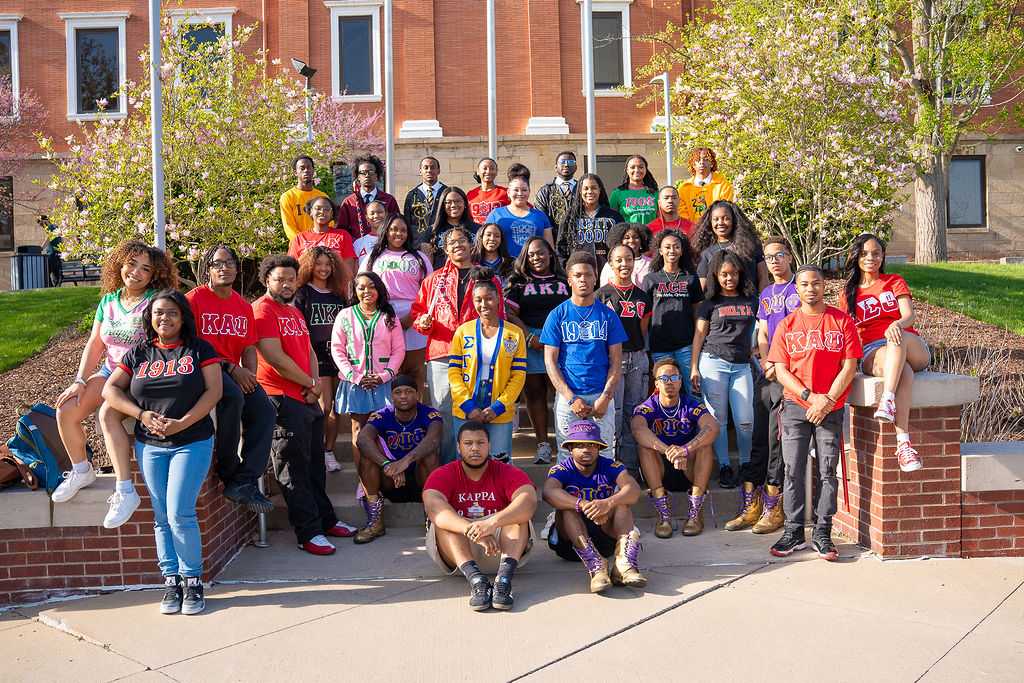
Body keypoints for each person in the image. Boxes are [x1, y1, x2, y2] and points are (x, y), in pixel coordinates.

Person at [102, 289, 222, 615]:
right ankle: (171, 580)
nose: (164, 318)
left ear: (183, 317)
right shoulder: (138, 353)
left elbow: (214, 391)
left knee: (179, 513)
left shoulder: (199, 349)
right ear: (149, 317)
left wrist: (182, 423)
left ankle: (192, 581)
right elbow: (109, 388)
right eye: (158, 313)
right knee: (160, 517)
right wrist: (140, 414)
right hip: (150, 445)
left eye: (171, 312)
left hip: (192, 440)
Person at [53, 240, 178, 528]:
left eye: (145, 268)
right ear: (120, 264)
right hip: (111, 371)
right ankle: (81, 470)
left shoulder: (156, 301)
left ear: (154, 275)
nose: (135, 272)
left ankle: (124, 490)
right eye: (131, 264)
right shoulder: (109, 300)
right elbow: (95, 344)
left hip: (143, 376)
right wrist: (80, 380)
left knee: (107, 413)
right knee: (67, 410)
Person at [254, 254, 356, 556]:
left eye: (291, 279)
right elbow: (275, 358)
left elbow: (309, 350)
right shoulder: (262, 311)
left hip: (305, 396)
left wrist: (313, 382)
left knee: (315, 467)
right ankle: (308, 533)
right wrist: (309, 383)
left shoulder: (293, 310)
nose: (287, 284)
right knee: (292, 469)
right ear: (266, 281)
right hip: (281, 399)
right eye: (280, 279)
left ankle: (325, 521)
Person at [767, 264, 862, 560]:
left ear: (824, 286)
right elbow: (780, 370)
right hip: (796, 406)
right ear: (797, 289)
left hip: (830, 408)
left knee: (828, 470)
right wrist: (809, 396)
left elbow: (849, 366)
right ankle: (794, 531)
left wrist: (828, 399)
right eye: (805, 284)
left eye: (816, 283)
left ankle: (823, 531)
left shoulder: (842, 321)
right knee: (793, 470)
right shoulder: (787, 325)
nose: (811, 288)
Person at [186, 245, 275, 512]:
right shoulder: (193, 300)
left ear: (237, 268)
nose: (223, 268)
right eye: (217, 264)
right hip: (200, 368)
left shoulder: (243, 306)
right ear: (207, 270)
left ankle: (244, 480)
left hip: (232, 371)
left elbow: (249, 350)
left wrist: (250, 376)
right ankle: (228, 471)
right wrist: (230, 368)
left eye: (229, 263)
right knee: (232, 397)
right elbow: (190, 344)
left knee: (265, 409)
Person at [411, 227, 505, 463]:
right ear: (445, 249)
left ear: (471, 243)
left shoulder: (486, 277)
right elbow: (418, 314)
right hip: (442, 351)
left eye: (462, 240)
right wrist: (423, 321)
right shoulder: (433, 280)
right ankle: (449, 470)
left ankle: (476, 467)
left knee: (475, 407)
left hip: (479, 353)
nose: (457, 245)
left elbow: (499, 313)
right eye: (451, 242)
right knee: (443, 412)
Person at [422, 421, 538, 611]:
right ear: (459, 447)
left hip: (502, 550)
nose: (475, 448)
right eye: (468, 443)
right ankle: (477, 582)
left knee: (518, 515)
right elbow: (434, 508)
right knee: (445, 521)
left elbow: (529, 502)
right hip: (459, 556)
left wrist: (492, 523)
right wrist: (474, 530)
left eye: (481, 443)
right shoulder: (443, 474)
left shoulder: (507, 472)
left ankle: (503, 581)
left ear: (489, 446)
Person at [839, 233, 929, 471]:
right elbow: (847, 331)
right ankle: (904, 445)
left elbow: (910, 315)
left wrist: (897, 324)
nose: (871, 258)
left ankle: (886, 398)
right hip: (873, 350)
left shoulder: (893, 281)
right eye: (865, 253)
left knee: (895, 340)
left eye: (876, 253)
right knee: (904, 373)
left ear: (882, 257)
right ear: (856, 257)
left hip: (909, 343)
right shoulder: (848, 293)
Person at [730, 236, 800, 533]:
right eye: (769, 256)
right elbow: (761, 332)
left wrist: (779, 364)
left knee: (775, 443)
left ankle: (775, 507)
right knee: (757, 440)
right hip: (767, 372)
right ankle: (752, 504)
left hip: (789, 377)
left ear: (790, 258)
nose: (773, 261)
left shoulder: (801, 288)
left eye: (779, 255)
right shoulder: (768, 293)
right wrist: (766, 359)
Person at [542, 251, 627, 462]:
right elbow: (550, 362)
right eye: (578, 275)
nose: (583, 279)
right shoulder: (557, 315)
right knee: (566, 455)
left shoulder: (608, 315)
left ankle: (606, 495)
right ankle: (569, 495)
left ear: (595, 277)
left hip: (600, 394)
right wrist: (570, 398)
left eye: (588, 274)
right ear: (569, 279)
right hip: (569, 397)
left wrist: (606, 397)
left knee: (606, 454)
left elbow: (617, 362)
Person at [543, 420, 645, 593]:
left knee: (622, 503)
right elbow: (548, 492)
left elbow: (633, 489)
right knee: (566, 507)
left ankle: (623, 565)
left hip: (605, 538)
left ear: (599, 447)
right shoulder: (561, 469)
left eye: (591, 444)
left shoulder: (612, 466)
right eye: (579, 445)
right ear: (570, 449)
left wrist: (608, 503)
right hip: (571, 545)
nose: (586, 449)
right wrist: (583, 505)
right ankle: (597, 569)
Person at [690, 250, 758, 490]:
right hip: (713, 363)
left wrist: (757, 348)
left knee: (745, 421)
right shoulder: (710, 303)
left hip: (741, 367)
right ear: (716, 275)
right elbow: (699, 335)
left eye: (734, 273)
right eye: (724, 274)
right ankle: (726, 466)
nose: (730, 278)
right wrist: (694, 367)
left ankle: (746, 464)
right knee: (718, 419)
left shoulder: (752, 299)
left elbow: (762, 328)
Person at [631, 357, 719, 537]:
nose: (669, 382)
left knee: (705, 445)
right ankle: (663, 515)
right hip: (660, 469)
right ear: (656, 382)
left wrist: (685, 449)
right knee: (645, 447)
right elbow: (637, 428)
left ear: (681, 381)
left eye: (674, 378)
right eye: (663, 378)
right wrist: (669, 451)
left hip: (688, 468)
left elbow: (713, 427)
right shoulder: (649, 406)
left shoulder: (691, 405)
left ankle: (695, 512)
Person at [331, 271, 406, 477]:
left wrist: (385, 375)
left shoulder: (389, 316)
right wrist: (355, 376)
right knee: (358, 431)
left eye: (372, 286)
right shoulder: (345, 315)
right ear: (354, 291)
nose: (367, 291)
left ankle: (381, 478)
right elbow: (337, 349)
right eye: (361, 287)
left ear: (379, 289)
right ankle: (363, 481)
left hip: (383, 383)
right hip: (356, 383)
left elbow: (399, 349)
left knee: (383, 432)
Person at [448, 270, 527, 462]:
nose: (483, 304)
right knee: (468, 459)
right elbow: (454, 373)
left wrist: (499, 406)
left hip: (499, 405)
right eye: (478, 300)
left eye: (489, 298)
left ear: (499, 299)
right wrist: (467, 405)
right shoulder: (462, 331)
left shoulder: (515, 333)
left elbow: (518, 376)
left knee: (499, 460)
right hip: (466, 405)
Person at [504, 237, 569, 465]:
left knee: (561, 391)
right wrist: (529, 336)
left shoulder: (565, 280)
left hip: (561, 342)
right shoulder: (519, 283)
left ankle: (566, 443)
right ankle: (543, 445)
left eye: (540, 253)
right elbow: (510, 314)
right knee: (534, 393)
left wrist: (554, 338)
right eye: (531, 255)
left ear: (550, 254)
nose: (536, 258)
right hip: (530, 341)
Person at [354, 376, 442, 543]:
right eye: (398, 392)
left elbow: (434, 439)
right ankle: (375, 523)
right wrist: (387, 465)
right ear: (391, 396)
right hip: (391, 482)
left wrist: (405, 461)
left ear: (417, 394)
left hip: (421, 482)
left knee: (430, 455)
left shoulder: (430, 413)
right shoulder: (381, 415)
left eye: (408, 392)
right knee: (366, 459)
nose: (403, 396)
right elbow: (363, 440)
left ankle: (433, 520)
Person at [595, 244, 652, 477]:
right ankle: (610, 467)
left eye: (628, 259)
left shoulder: (643, 297)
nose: (624, 264)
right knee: (613, 414)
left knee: (633, 412)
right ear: (611, 264)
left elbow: (641, 330)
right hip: (612, 361)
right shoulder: (601, 295)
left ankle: (629, 469)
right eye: (618, 260)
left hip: (637, 358)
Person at [292, 246, 350, 473]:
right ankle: (316, 450)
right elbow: (297, 325)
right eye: (319, 264)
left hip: (339, 354)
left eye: (328, 264)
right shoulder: (303, 293)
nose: (324, 268)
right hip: (315, 354)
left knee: (336, 408)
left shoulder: (339, 294)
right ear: (309, 266)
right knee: (324, 407)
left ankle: (328, 451)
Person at [361, 213, 433, 394]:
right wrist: (379, 316)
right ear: (385, 231)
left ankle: (415, 416)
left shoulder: (419, 258)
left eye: (403, 230)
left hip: (413, 319)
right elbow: (362, 288)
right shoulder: (373, 257)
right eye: (394, 229)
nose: (398, 233)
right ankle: (389, 416)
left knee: (413, 371)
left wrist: (413, 317)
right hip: (382, 318)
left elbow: (430, 291)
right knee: (388, 370)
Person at [642, 228, 703, 396]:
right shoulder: (650, 279)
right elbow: (646, 314)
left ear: (682, 250)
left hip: (686, 344)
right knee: (664, 390)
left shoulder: (691, 278)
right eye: (667, 247)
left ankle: (696, 422)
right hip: (659, 344)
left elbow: (696, 311)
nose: (672, 251)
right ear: (660, 251)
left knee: (693, 389)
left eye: (676, 247)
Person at [692, 200, 769, 293]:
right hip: (719, 306)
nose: (720, 223)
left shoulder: (752, 245)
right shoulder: (706, 253)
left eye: (725, 218)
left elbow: (763, 277)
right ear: (710, 223)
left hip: (751, 304)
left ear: (734, 220)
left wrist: (762, 302)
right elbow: (702, 289)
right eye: (715, 219)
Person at [555, 173, 623, 269]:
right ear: (580, 191)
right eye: (585, 188)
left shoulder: (614, 217)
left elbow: (621, 245)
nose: (590, 191)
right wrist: (566, 271)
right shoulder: (569, 218)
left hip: (607, 271)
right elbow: (561, 248)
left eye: (594, 188)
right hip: (579, 272)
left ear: (600, 189)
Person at [287, 196, 357, 282]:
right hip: (306, 288)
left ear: (332, 214)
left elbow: (349, 270)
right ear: (311, 211)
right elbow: (290, 268)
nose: (322, 212)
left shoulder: (342, 236)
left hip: (335, 288)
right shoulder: (300, 238)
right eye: (318, 208)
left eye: (327, 209)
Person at [484, 177, 553, 259]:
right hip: (504, 266)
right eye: (516, 190)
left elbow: (550, 247)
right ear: (508, 192)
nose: (520, 193)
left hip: (533, 266)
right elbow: (485, 242)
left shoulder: (540, 216)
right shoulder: (496, 214)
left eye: (524, 190)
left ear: (529, 192)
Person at [336, 154, 400, 239]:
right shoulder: (349, 202)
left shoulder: (388, 200)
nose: (367, 175)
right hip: (357, 249)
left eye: (371, 172)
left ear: (377, 175)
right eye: (363, 173)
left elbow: (396, 225)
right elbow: (343, 231)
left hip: (384, 248)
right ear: (358, 176)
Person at [675, 147, 736, 225]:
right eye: (698, 160)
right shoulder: (684, 188)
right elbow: (682, 216)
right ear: (693, 164)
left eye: (706, 159)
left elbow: (726, 210)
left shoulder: (723, 185)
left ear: (712, 163)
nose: (702, 162)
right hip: (692, 232)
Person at [280, 154, 329, 241]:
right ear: (295, 172)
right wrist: (304, 243)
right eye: (302, 168)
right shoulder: (287, 197)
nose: (306, 170)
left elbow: (329, 224)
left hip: (320, 247)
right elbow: (289, 227)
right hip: (298, 247)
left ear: (313, 170)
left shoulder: (323, 197)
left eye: (309, 167)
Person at [428, 186, 478, 270]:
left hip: (473, 278)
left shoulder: (478, 229)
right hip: (442, 280)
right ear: (443, 206)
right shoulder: (432, 231)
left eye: (458, 201)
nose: (453, 205)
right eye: (448, 202)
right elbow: (427, 265)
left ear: (465, 203)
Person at [403, 156, 447, 250]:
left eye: (433, 167)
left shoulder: (447, 193)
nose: (429, 170)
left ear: (438, 171)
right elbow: (407, 222)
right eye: (426, 167)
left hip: (442, 244)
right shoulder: (412, 195)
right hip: (418, 244)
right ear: (420, 171)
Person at [534, 151, 578, 241]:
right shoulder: (545, 191)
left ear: (576, 167)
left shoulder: (582, 189)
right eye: (562, 162)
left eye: (571, 162)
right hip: (554, 243)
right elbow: (541, 220)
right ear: (555, 167)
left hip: (579, 242)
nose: (566, 165)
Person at [608, 155, 659, 225]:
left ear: (646, 170)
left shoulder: (656, 193)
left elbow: (660, 219)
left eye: (641, 167)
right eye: (632, 167)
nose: (637, 170)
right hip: (627, 235)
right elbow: (611, 220)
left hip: (651, 235)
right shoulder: (617, 194)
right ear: (627, 170)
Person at [599, 222, 653, 287]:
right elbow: (604, 289)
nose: (631, 240)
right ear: (619, 240)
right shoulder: (610, 264)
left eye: (635, 237)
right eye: (627, 238)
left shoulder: (651, 263)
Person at [466, 157, 510, 225]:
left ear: (496, 171)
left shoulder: (505, 193)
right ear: (478, 171)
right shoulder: (471, 195)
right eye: (485, 168)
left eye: (492, 169)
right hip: (477, 234)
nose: (488, 171)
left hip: (498, 234)